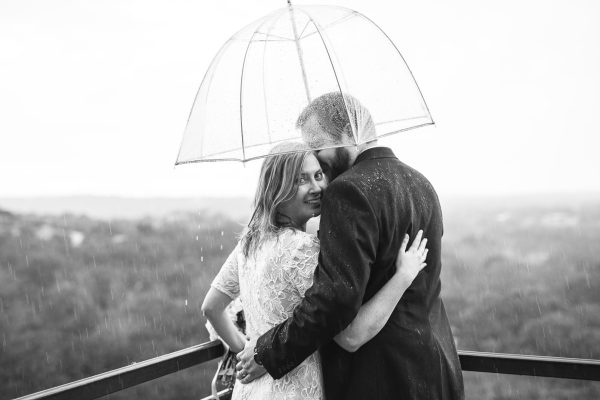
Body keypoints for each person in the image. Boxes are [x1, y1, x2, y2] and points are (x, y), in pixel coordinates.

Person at [236, 93, 465, 400]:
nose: (316, 157)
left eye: (317, 146)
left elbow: (333, 304)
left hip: (383, 378)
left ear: (349, 133)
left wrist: (266, 353)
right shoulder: (421, 184)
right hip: (436, 369)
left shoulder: (348, 190)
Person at [202, 141, 429, 400]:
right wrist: (403, 276)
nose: (317, 188)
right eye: (301, 180)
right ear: (278, 188)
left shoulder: (248, 243)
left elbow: (211, 307)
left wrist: (249, 354)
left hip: (250, 392)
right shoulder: (303, 248)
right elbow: (352, 335)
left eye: (318, 175)